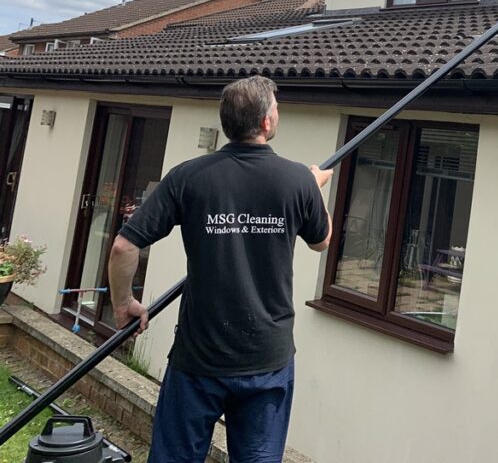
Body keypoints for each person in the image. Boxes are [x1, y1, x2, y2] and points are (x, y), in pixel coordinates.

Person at [107, 76, 333, 463]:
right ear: (265, 123)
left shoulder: (188, 176)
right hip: (267, 359)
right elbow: (321, 240)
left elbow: (124, 246)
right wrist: (313, 188)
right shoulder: (298, 179)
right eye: (276, 107)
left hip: (199, 357)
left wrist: (124, 301)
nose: (278, 113)